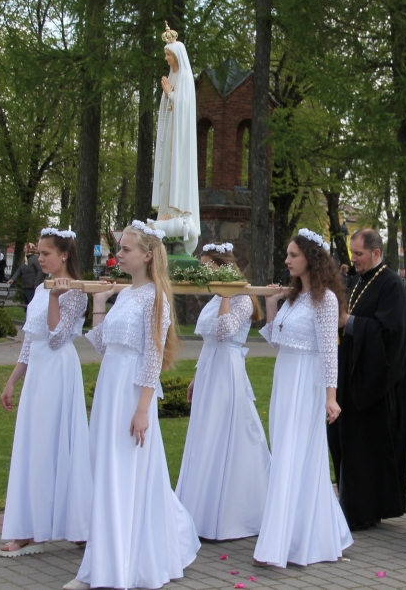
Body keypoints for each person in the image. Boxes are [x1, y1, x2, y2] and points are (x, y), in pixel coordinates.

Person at [64, 220, 199, 590]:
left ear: (147, 255)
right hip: (111, 386)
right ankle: (104, 561)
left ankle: (118, 566)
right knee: (106, 470)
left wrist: (142, 409)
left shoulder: (155, 296)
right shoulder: (125, 295)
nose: (118, 254)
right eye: (119, 248)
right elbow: (105, 344)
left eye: (125, 249)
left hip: (133, 391)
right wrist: (98, 303)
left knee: (124, 473)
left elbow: (153, 356)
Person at [253, 229, 353, 567]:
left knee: (296, 456)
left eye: (293, 254)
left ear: (310, 258)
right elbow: (276, 341)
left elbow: (329, 350)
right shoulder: (294, 298)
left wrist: (331, 396)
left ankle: (287, 543)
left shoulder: (325, 300)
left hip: (306, 383)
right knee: (285, 451)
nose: (287, 260)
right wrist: (271, 306)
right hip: (285, 380)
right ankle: (302, 532)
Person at [0, 228, 91, 557]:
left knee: (56, 444)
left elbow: (56, 338)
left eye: (46, 253)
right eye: (38, 254)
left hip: (59, 372)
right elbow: (30, 340)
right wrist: (13, 380)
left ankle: (72, 522)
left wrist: (55, 297)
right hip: (38, 372)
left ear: (64, 254)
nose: (40, 258)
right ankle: (30, 523)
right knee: (33, 446)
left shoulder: (76, 292)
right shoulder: (40, 288)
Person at [176, 242, 271, 540]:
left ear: (222, 267)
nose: (203, 272)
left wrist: (227, 295)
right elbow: (208, 340)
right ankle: (199, 506)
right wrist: (195, 377)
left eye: (208, 266)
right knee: (205, 433)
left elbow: (223, 332)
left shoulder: (241, 299)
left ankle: (234, 511)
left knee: (228, 431)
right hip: (208, 368)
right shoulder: (213, 299)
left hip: (227, 371)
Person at [329, 228, 406, 530]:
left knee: (368, 448)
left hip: (377, 383)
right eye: (352, 253)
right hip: (351, 375)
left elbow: (390, 332)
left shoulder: (392, 285)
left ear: (376, 253)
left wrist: (348, 322)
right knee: (347, 445)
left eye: (359, 254)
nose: (354, 259)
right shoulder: (357, 282)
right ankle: (352, 504)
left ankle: (367, 509)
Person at [151, 24, 201, 255]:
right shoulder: (173, 76)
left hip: (180, 140)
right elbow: (169, 108)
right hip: (171, 135)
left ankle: (177, 209)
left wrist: (171, 94)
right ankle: (166, 209)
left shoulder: (187, 77)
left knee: (177, 170)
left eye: (169, 55)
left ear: (177, 56)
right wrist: (168, 95)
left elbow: (184, 107)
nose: (166, 58)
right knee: (168, 170)